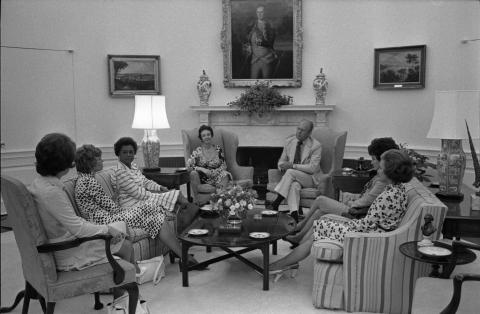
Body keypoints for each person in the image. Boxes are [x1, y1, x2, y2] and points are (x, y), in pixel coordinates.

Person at [269, 149, 414, 277]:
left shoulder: (390, 195)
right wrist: (339, 222)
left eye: (381, 168)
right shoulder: (396, 189)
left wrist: (341, 222)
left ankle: (282, 264)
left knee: (321, 225)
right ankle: (289, 262)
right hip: (367, 231)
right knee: (322, 223)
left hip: (367, 237)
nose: (378, 171)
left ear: (390, 171)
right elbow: (372, 222)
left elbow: (367, 225)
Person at [29, 133, 137, 303]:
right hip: (66, 252)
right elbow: (77, 228)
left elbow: (74, 222)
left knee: (121, 237)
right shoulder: (52, 192)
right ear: (63, 163)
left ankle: (120, 289)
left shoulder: (39, 184)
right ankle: (122, 296)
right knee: (125, 245)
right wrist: (107, 229)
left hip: (56, 245)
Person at [74, 144, 200, 268]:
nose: (102, 160)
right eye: (98, 158)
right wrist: (124, 205)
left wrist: (115, 198)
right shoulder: (88, 181)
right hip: (105, 220)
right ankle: (184, 256)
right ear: (90, 162)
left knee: (155, 214)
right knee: (152, 209)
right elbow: (113, 208)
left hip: (108, 216)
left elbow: (104, 204)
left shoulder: (86, 179)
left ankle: (182, 255)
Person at [285, 137, 399, 246]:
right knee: (319, 213)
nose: (371, 162)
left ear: (384, 159)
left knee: (320, 200)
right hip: (358, 211)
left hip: (357, 214)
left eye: (374, 159)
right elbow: (368, 197)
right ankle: (299, 238)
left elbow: (366, 201)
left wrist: (349, 202)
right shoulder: (380, 176)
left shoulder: (382, 181)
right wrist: (352, 199)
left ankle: (300, 226)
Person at [111, 137, 190, 211]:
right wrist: (160, 194)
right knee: (177, 195)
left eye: (131, 152)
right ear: (118, 154)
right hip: (131, 204)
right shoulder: (119, 171)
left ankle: (188, 219)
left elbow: (145, 182)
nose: (128, 155)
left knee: (176, 199)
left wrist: (160, 187)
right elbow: (137, 193)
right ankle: (195, 216)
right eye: (124, 152)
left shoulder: (133, 166)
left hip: (142, 198)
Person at [269, 119, 322, 222]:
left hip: (310, 179)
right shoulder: (289, 141)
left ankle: (276, 202)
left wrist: (292, 166)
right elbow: (281, 161)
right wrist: (282, 166)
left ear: (309, 133)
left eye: (302, 130)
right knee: (294, 186)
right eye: (298, 129)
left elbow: (312, 168)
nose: (299, 132)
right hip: (293, 178)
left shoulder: (316, 146)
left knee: (290, 172)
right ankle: (294, 216)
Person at [246, 5, 278, 79]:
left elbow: (270, 43)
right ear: (256, 13)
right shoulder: (251, 26)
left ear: (265, 13)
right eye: (258, 12)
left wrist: (261, 42)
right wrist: (248, 46)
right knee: (253, 83)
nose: (260, 14)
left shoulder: (270, 27)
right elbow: (247, 40)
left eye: (262, 12)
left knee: (267, 83)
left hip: (267, 60)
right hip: (254, 60)